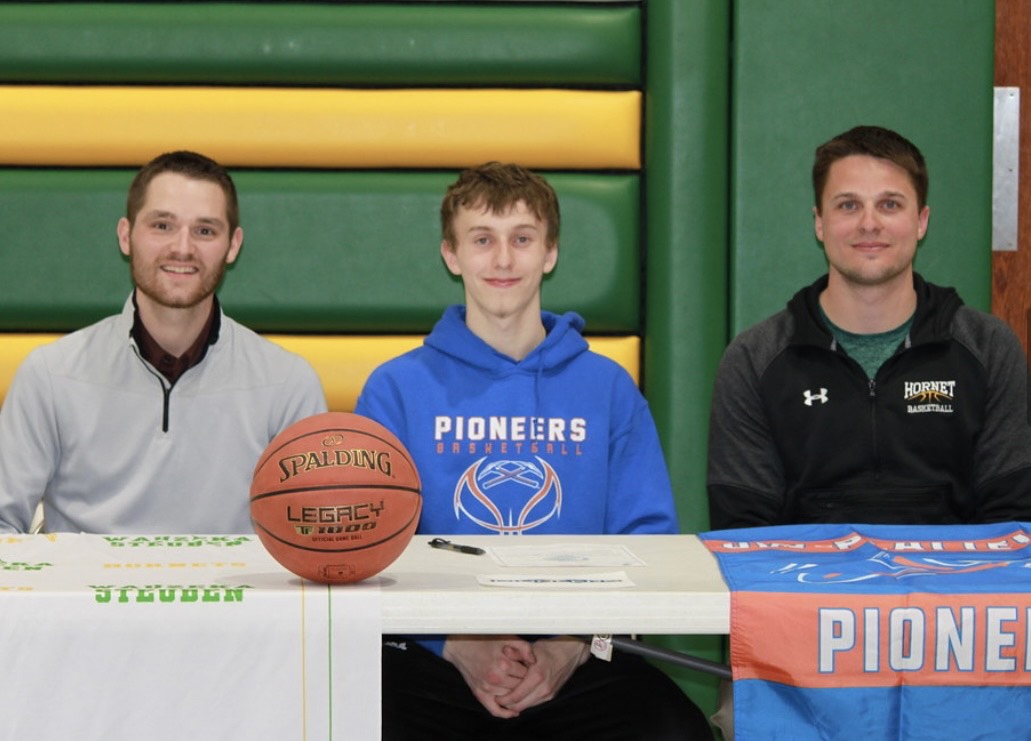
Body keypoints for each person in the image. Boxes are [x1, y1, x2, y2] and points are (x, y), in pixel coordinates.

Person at [356, 162, 712, 739]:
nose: (502, 260)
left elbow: (646, 546)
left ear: (550, 253)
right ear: (451, 254)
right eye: (482, 240)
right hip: (434, 655)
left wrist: (569, 648)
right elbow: (370, 551)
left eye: (522, 239)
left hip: (578, 652)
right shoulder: (395, 389)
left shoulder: (608, 388)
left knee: (675, 730)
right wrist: (456, 645)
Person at [707, 124, 1031, 531]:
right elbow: (743, 534)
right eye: (848, 206)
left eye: (890, 205)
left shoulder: (987, 348)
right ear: (819, 223)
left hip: (951, 591)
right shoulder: (756, 359)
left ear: (921, 221)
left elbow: (1013, 526)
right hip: (804, 592)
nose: (869, 224)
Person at [0, 150, 326, 534]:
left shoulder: (287, 383)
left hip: (234, 596)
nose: (183, 248)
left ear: (233, 245)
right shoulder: (51, 375)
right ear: (126, 236)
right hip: (89, 595)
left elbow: (313, 536)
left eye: (205, 230)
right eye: (162, 226)